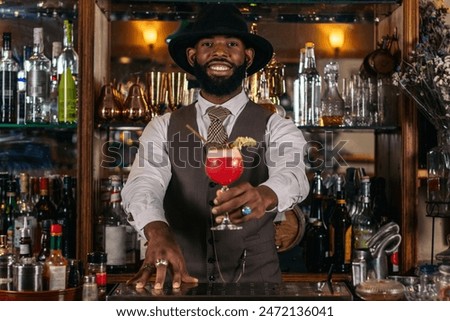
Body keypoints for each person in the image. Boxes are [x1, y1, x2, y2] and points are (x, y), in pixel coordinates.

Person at [121, 3, 310, 290]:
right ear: (192, 55)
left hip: (256, 286)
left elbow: (293, 175)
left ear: (247, 57)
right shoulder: (162, 126)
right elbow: (144, 183)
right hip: (179, 284)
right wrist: (156, 230)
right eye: (208, 44)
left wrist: (265, 194)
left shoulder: (277, 126)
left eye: (231, 44)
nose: (219, 52)